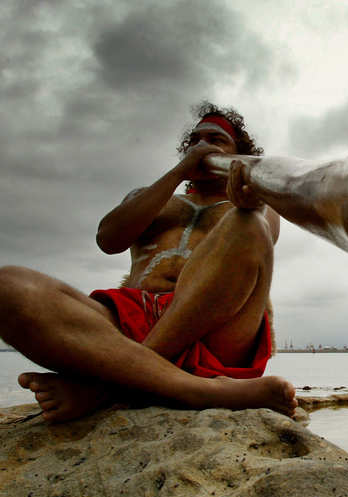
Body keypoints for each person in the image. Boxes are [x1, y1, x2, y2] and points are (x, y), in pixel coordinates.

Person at [0, 103, 297, 423]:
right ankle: (198, 390)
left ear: (239, 152)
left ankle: (104, 390)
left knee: (249, 224)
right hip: (128, 325)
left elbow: (261, 237)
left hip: (218, 328)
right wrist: (178, 173)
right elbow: (109, 240)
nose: (203, 145)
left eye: (216, 139)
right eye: (196, 140)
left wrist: (249, 195)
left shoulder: (254, 201)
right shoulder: (153, 196)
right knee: (10, 287)